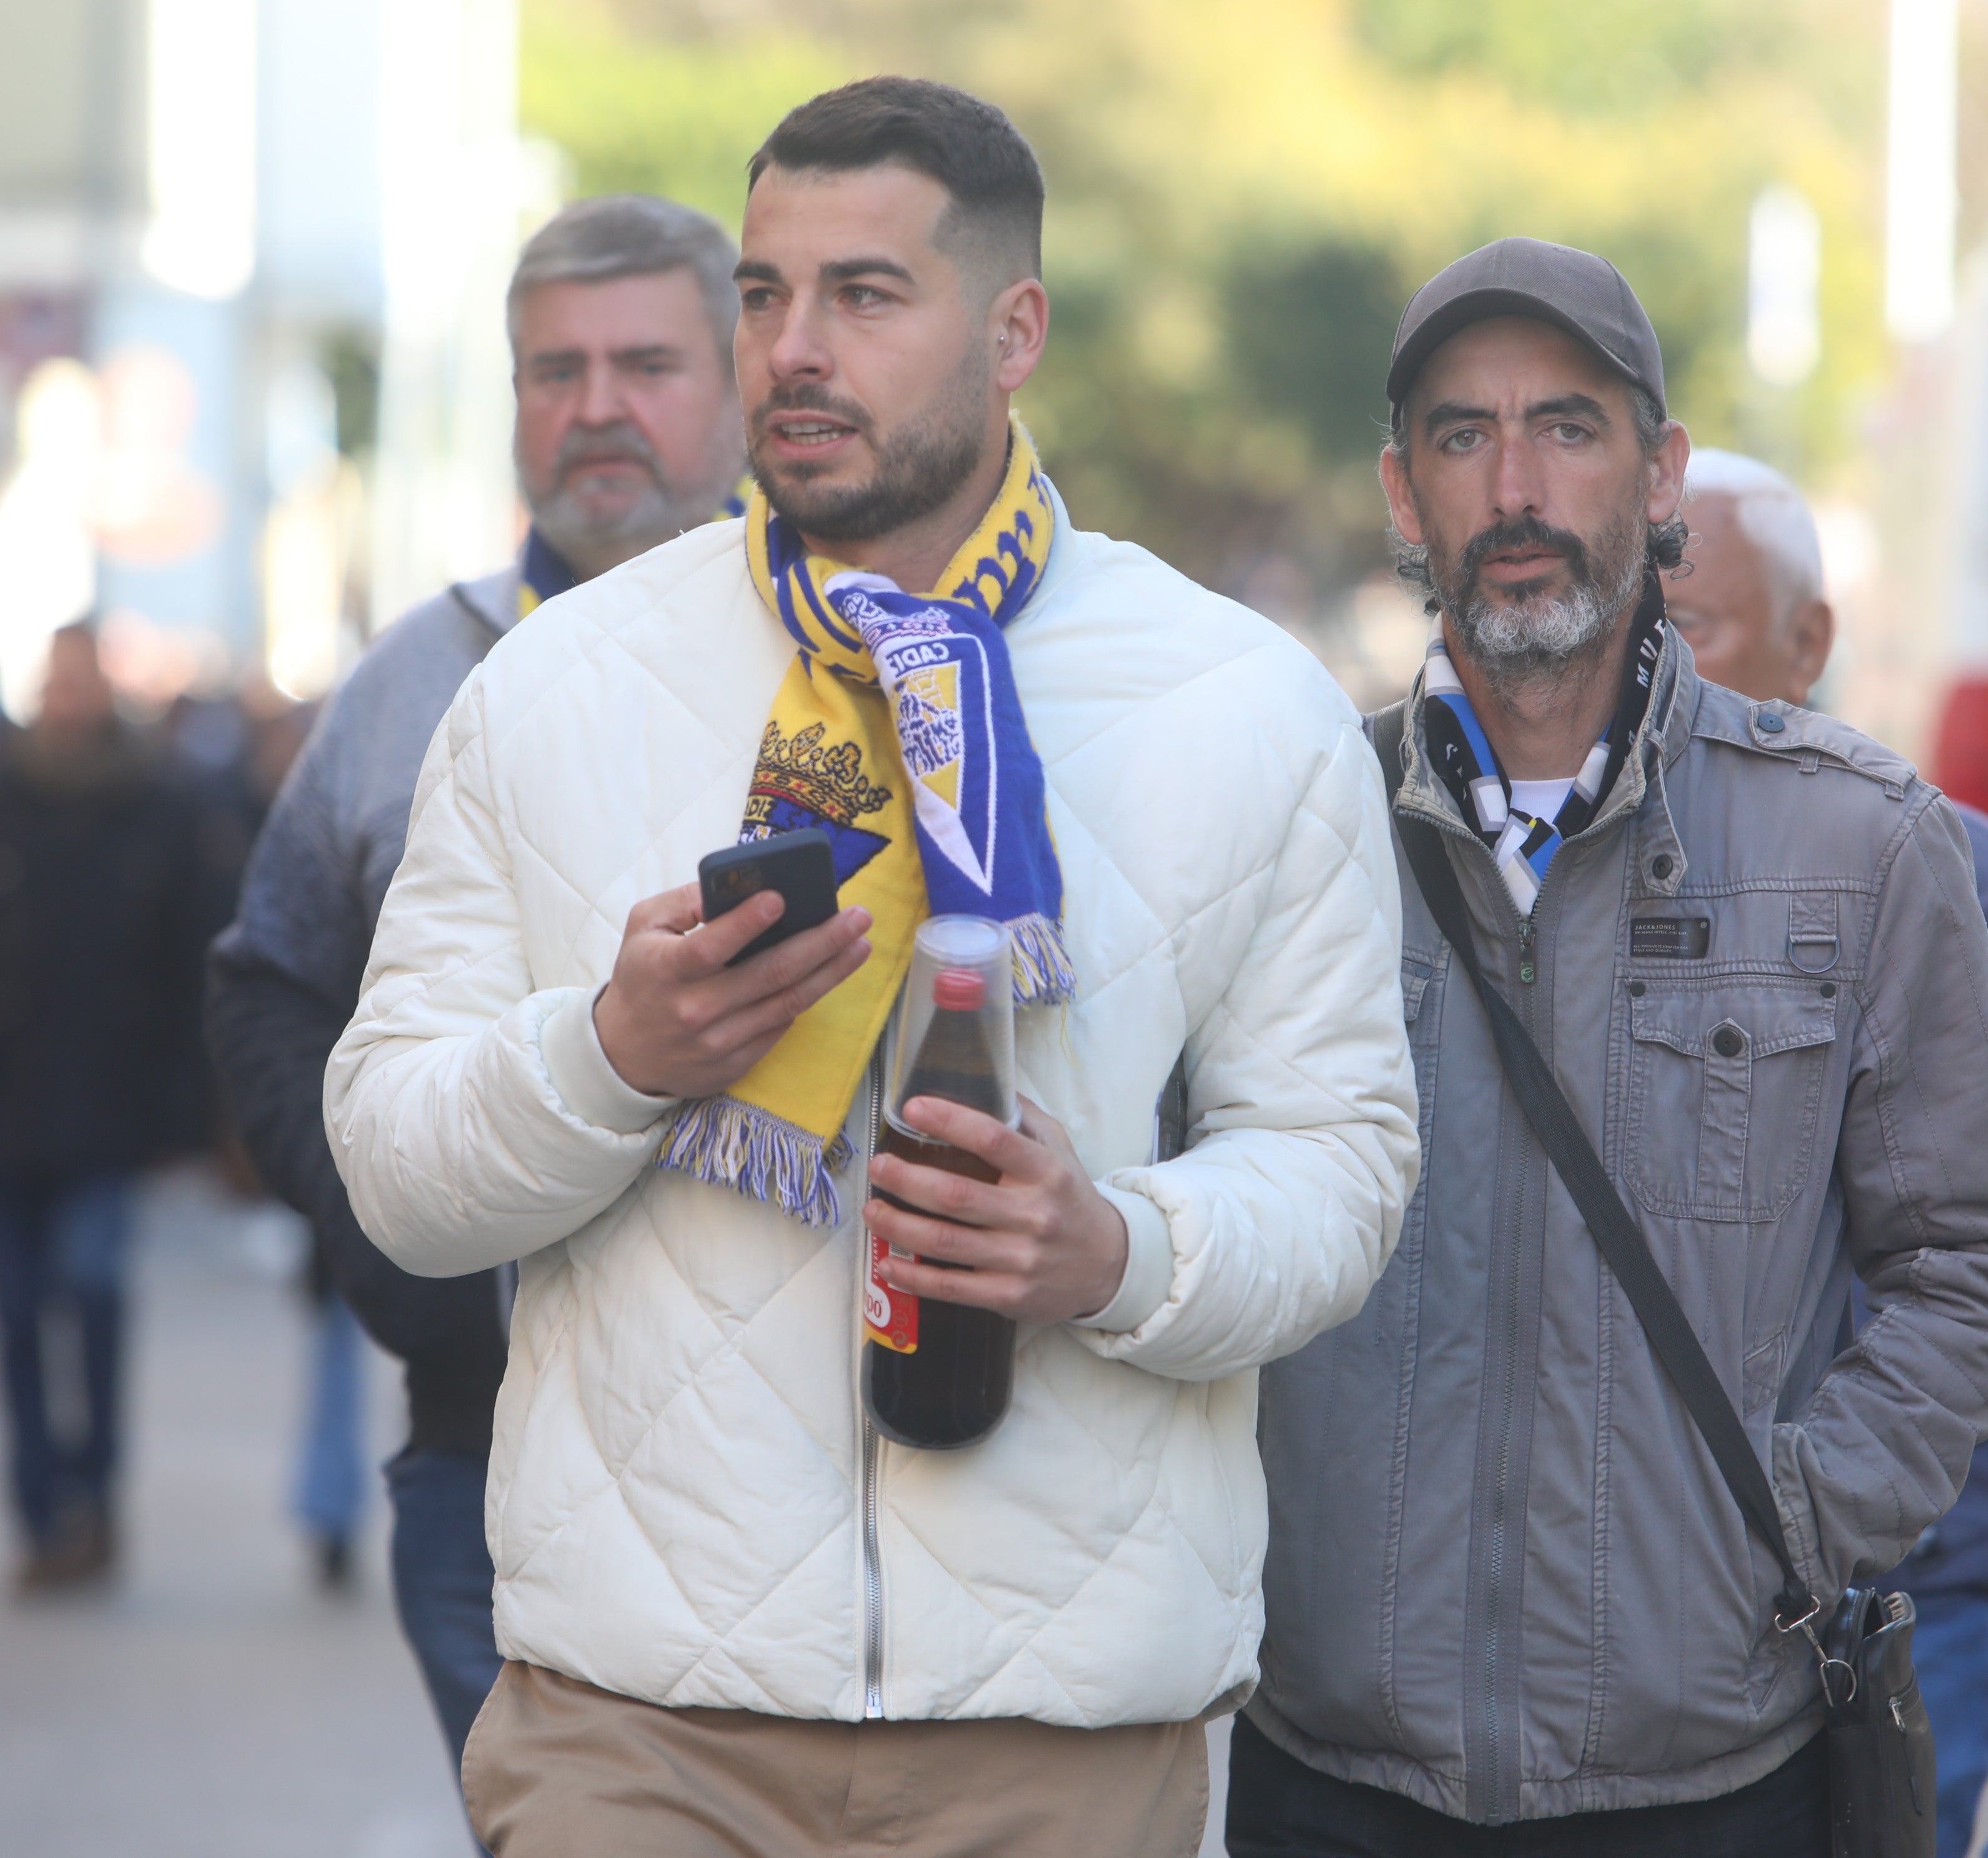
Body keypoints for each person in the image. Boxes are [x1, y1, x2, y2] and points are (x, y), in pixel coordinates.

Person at [326, 77, 1418, 1858]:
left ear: (1014, 333)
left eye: (864, 296)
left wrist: (1116, 1251)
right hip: (636, 1720)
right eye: (762, 294)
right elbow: (394, 1165)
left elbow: (1345, 1170)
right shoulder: (556, 684)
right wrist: (609, 1056)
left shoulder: (1244, 703)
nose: (793, 350)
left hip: (1058, 1729)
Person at [1239, 238, 1988, 1855]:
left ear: (1661, 473)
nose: (1518, 484)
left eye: (1570, 426)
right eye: (1463, 438)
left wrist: (1793, 1523)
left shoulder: (1858, 844)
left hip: (1713, 1779)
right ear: (1404, 496)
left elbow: (1986, 1252)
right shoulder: (1286, 825)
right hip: (1327, 1769)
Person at [206, 194, 756, 1780]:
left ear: (735, 381)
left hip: (776, 1483)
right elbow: (264, 982)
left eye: (643, 363)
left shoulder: (835, 662)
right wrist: (405, 1265)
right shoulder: (408, 682)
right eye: (552, 370)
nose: (595, 408)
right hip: (483, 1468)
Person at [1670, 447, 1988, 1857]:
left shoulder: (1954, 882)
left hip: (1886, 1622)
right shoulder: (1549, 894)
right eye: (1634, 633)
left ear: (1808, 640)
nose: (1655, 669)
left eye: (1691, 626)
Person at [0, 621, 217, 1592]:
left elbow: (188, 971)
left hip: (109, 1111)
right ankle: (40, 1510)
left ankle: (95, 1489)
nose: (66, 701)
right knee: (14, 1314)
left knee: (92, 1287)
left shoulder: (159, 808)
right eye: (55, 683)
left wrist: (189, 1110)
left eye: (82, 683)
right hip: (0, 1110)